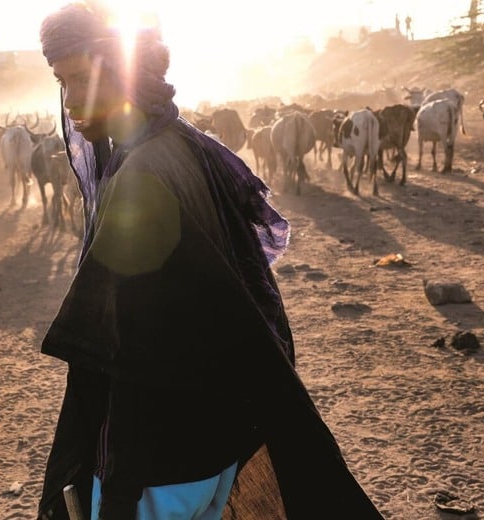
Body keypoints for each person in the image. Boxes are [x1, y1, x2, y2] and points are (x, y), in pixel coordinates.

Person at [36, 2, 384, 519]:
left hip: (161, 466)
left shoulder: (141, 178)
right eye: (61, 82)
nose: (71, 102)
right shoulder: (180, 145)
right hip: (215, 446)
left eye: (83, 77)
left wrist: (122, 493)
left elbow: (129, 357)